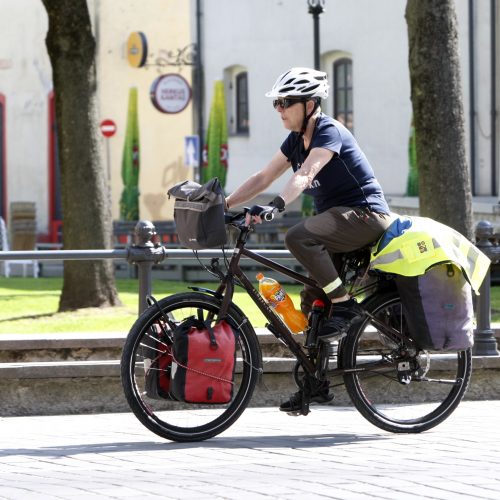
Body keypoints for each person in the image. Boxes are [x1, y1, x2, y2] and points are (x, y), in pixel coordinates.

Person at [225, 67, 392, 412]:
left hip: (364, 215)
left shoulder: (328, 131)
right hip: (336, 225)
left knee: (299, 235)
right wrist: (223, 205)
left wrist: (278, 205)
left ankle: (346, 306)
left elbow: (307, 173)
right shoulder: (294, 140)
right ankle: (316, 385)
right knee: (314, 306)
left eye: (285, 102)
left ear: (309, 104)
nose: (279, 109)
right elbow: (263, 176)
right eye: (277, 104)